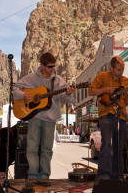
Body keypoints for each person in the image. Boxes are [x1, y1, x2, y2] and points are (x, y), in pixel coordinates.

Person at [13, 52, 75, 187]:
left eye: (54, 66)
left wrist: (68, 93)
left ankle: (45, 175)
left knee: (47, 149)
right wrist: (23, 95)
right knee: (32, 147)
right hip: (34, 117)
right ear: (42, 65)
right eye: (49, 66)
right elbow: (15, 89)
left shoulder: (59, 80)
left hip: (50, 119)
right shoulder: (31, 78)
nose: (52, 69)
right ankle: (32, 175)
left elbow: (64, 99)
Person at [88, 56, 128, 180]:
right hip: (106, 115)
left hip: (121, 116)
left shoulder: (126, 81)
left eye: (122, 69)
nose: (121, 72)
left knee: (119, 146)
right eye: (118, 70)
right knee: (106, 144)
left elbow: (127, 102)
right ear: (111, 68)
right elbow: (90, 91)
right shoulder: (102, 76)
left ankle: (117, 175)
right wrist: (104, 89)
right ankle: (104, 176)